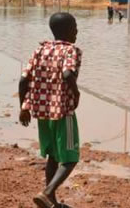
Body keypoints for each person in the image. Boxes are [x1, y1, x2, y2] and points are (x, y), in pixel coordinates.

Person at [19, 12, 82, 208]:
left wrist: (24, 107)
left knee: (53, 156)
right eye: (75, 27)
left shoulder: (40, 49)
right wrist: (76, 93)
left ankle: (50, 200)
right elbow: (66, 73)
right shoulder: (71, 50)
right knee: (70, 157)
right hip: (63, 111)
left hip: (42, 112)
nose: (77, 31)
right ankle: (47, 192)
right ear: (69, 31)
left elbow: (23, 80)